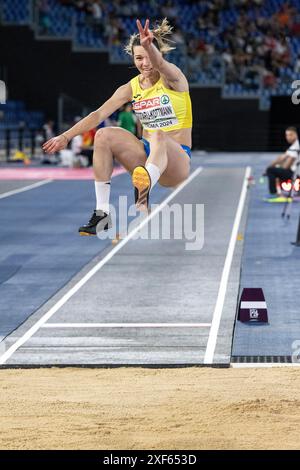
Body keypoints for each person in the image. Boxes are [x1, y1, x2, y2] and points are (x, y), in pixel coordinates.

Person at [42, 18, 192, 236]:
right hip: (146, 156)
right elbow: (98, 114)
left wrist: (150, 47)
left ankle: (144, 185)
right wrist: (65, 136)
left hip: (176, 161)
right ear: (133, 59)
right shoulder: (130, 88)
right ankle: (102, 215)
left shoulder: (174, 78)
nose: (145, 63)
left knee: (158, 134)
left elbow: (160, 64)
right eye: (139, 58)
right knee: (103, 135)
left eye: (149, 57)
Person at [264, 127, 299, 199]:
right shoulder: (293, 146)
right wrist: (275, 166)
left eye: (291, 135)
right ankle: (279, 193)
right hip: (295, 172)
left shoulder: (296, 147)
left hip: (296, 174)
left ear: (296, 135)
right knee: (274, 169)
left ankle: (274, 195)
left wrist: (272, 168)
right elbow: (281, 158)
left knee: (271, 170)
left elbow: (286, 166)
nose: (288, 137)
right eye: (287, 135)